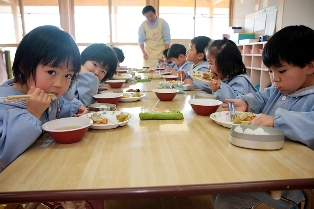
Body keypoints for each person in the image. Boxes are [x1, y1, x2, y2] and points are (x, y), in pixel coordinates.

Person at [214, 25, 314, 209]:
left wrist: (277, 121)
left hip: (287, 189)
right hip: (261, 169)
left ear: (310, 66)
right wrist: (245, 102)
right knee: (216, 179)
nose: (274, 78)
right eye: (270, 71)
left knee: (227, 201)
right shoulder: (281, 89)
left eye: (281, 71)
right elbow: (262, 96)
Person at [0, 25, 88, 172]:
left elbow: (57, 109)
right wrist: (32, 114)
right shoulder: (4, 103)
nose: (59, 84)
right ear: (23, 66)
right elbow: (5, 155)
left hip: (44, 168)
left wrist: (75, 110)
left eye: (68, 75)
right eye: (51, 72)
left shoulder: (47, 95)